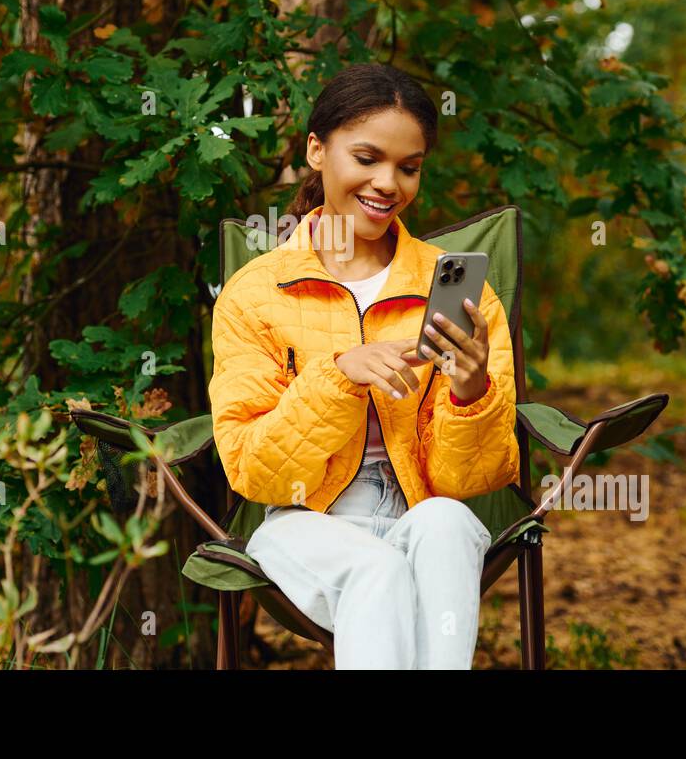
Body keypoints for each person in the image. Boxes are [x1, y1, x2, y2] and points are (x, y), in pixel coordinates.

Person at [208, 62, 520, 670]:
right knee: (375, 569)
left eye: (410, 167)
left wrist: (470, 390)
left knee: (450, 523)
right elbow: (253, 469)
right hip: (303, 522)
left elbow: (465, 483)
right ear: (316, 150)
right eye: (368, 157)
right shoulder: (258, 293)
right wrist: (338, 375)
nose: (388, 183)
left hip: (419, 513)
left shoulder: (456, 290)